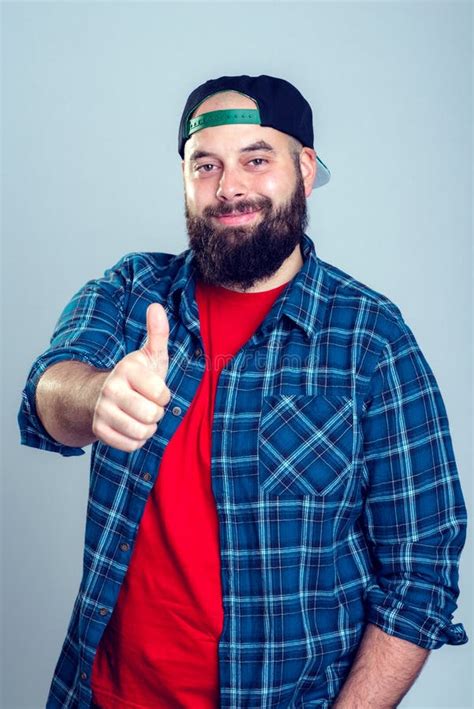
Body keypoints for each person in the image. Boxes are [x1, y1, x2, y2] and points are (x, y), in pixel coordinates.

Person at [18, 74, 468, 709]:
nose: (229, 188)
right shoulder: (131, 293)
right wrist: (95, 399)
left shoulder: (371, 338)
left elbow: (421, 577)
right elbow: (46, 393)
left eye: (256, 160)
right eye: (206, 165)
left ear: (304, 170)